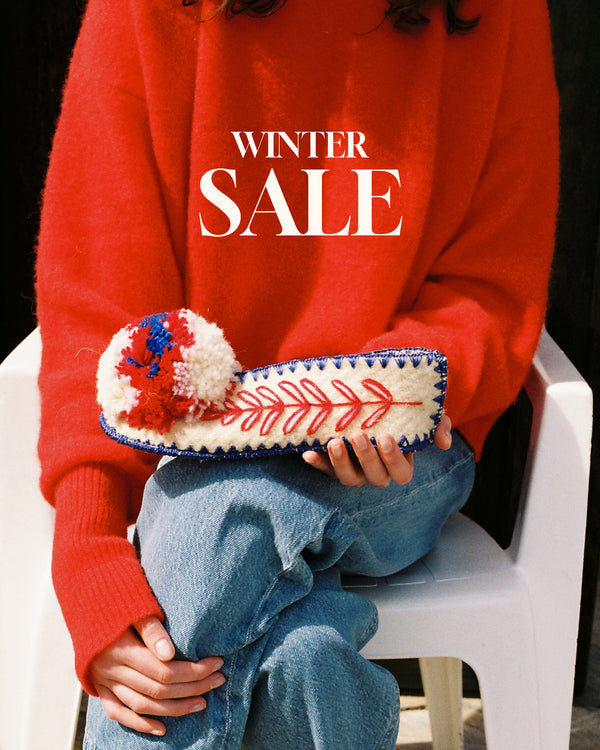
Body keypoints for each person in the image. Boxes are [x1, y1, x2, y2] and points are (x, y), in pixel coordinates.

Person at [35, 0, 559, 747]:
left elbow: (493, 283)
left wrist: (382, 397)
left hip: (403, 452)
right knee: (303, 659)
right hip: (191, 451)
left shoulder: (494, 11)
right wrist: (89, 553)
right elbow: (98, 297)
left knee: (220, 514)